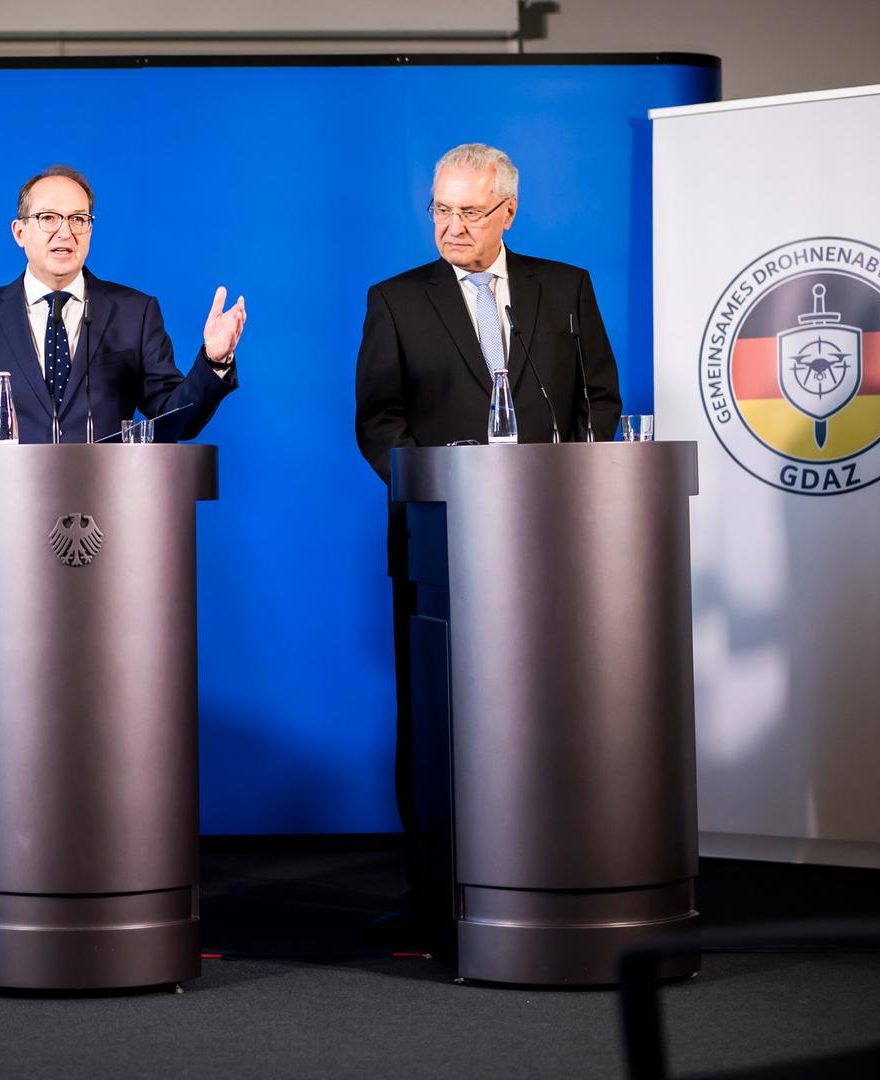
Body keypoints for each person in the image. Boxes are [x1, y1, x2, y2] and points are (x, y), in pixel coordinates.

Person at [352, 143, 621, 937]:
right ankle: (436, 889)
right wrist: (439, 494)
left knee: (554, 708)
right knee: (437, 720)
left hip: (556, 547)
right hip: (441, 548)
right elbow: (378, 423)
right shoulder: (396, 300)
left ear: (508, 212)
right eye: (440, 209)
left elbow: (598, 402)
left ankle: (556, 871)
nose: (451, 225)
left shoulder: (564, 289)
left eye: (469, 211)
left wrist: (575, 480)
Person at [0, 164, 247, 479]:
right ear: (19, 232)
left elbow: (175, 419)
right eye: (49, 218)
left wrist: (213, 361)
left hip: (112, 511)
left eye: (78, 219)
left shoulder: (135, 312)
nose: (65, 232)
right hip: (8, 510)